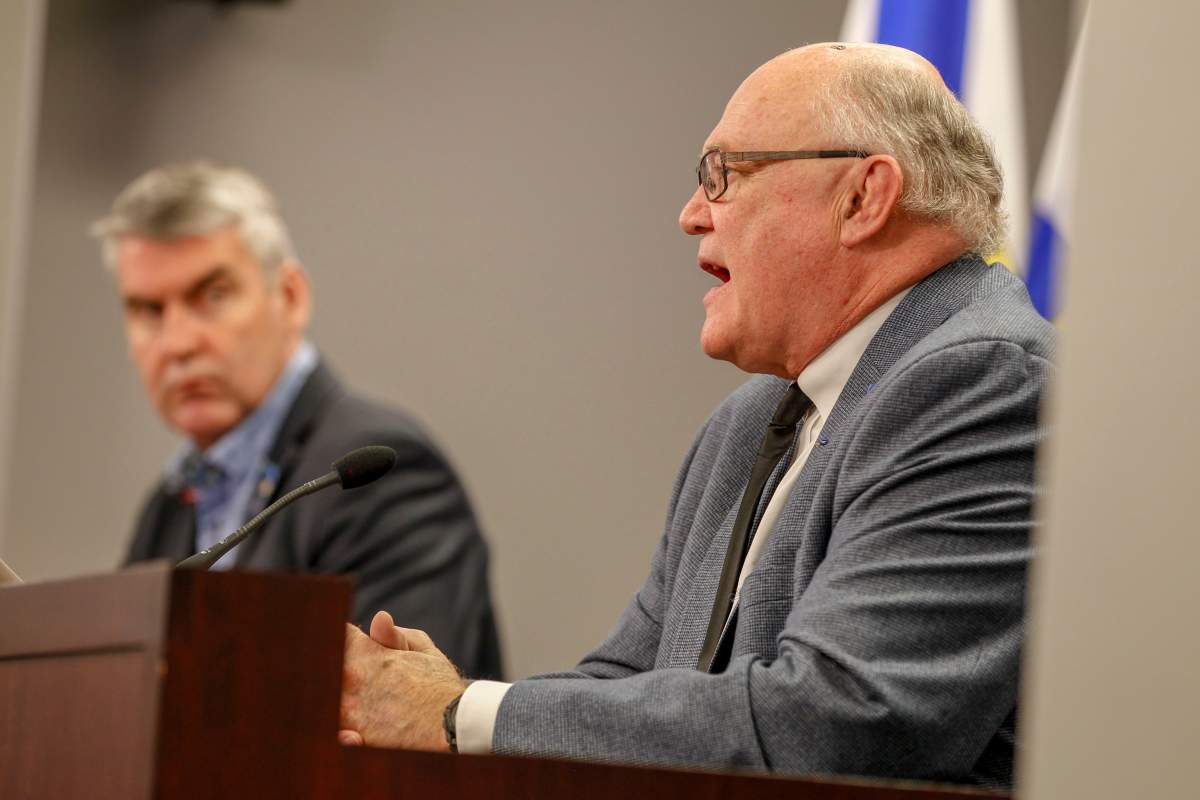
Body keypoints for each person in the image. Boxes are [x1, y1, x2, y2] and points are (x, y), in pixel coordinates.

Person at [340, 42, 1053, 790]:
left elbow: (837, 723)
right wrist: (446, 707)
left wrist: (458, 714)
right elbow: (628, 682)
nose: (690, 215)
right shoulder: (751, 421)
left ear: (863, 198)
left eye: (724, 174)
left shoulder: (985, 384)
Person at [95, 162, 503, 679]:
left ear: (290, 297)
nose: (177, 343)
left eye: (213, 296)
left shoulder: (375, 475)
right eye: (149, 311)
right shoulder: (169, 505)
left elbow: (397, 708)